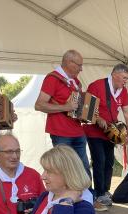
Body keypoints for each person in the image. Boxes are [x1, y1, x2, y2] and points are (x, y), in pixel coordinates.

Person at [84, 63, 128, 211]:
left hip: (110, 132)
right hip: (94, 131)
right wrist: (98, 118)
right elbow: (86, 109)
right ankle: (99, 193)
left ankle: (105, 190)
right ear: (115, 75)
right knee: (99, 160)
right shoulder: (96, 85)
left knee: (109, 162)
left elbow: (127, 113)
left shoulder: (123, 91)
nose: (126, 81)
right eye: (125, 78)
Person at [34, 50, 91, 178]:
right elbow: (39, 105)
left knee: (84, 169)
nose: (81, 69)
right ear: (69, 62)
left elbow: (76, 108)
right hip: (60, 132)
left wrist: (86, 114)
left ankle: (87, 197)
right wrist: (65, 107)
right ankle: (67, 197)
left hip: (78, 131)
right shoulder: (52, 78)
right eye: (79, 65)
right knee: (66, 170)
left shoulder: (75, 81)